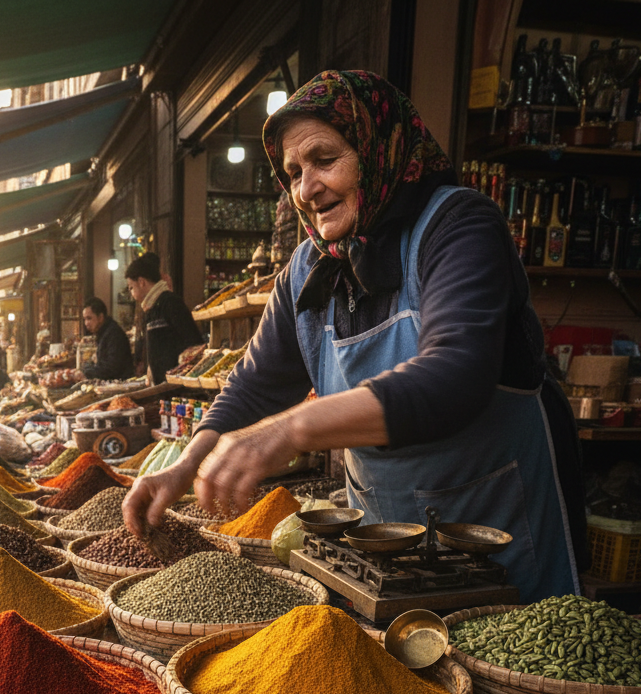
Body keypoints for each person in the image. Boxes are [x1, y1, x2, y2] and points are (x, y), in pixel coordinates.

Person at [124, 70, 586, 604]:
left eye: (324, 160)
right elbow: (255, 387)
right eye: (293, 172)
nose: (306, 188)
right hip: (386, 556)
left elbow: (455, 375)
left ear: (379, 148)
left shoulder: (459, 225)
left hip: (501, 538)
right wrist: (184, 466)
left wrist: (291, 430)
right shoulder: (307, 267)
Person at [125, 252, 201, 384]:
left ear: (142, 282)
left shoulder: (170, 302)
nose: (131, 294)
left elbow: (193, 343)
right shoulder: (151, 308)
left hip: (176, 387)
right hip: (162, 386)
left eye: (131, 287)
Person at [80, 297, 134, 380]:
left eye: (89, 318)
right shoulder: (104, 332)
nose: (86, 323)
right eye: (85, 319)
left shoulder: (114, 334)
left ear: (101, 317)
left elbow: (111, 369)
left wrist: (85, 372)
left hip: (119, 386)